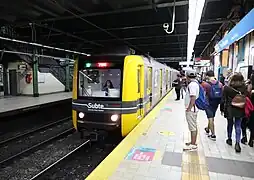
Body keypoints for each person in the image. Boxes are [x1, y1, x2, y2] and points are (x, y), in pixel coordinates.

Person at [220, 73, 247, 153]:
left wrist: (222, 109)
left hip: (230, 108)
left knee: (230, 123)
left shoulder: (227, 88)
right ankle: (237, 143)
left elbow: (223, 99)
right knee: (238, 125)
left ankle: (229, 138)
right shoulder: (244, 87)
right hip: (240, 108)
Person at [201, 70, 223, 141]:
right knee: (212, 116)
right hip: (216, 103)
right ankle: (208, 129)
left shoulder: (205, 84)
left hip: (208, 103)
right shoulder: (220, 84)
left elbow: (203, 94)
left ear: (207, 76)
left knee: (210, 118)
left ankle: (213, 135)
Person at [183, 71, 200, 151]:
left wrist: (189, 108)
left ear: (187, 76)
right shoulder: (195, 84)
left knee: (192, 127)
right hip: (193, 108)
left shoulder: (192, 85)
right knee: (193, 126)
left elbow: (193, 97)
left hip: (192, 109)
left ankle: (193, 145)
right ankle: (193, 142)